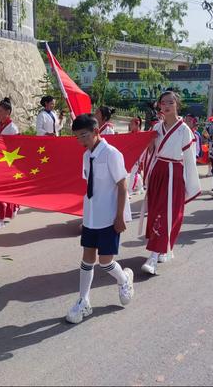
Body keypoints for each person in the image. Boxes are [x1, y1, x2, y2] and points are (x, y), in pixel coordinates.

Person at [66, 114, 134, 324]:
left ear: (97, 132)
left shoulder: (112, 154)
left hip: (109, 216)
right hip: (91, 216)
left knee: (104, 262)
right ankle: (83, 300)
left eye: (84, 136)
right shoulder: (87, 155)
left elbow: (122, 186)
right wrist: (86, 215)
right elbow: (91, 186)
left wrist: (120, 216)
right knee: (87, 259)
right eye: (77, 137)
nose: (81, 141)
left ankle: (124, 280)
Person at [140, 91, 200, 275]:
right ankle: (163, 247)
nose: (166, 105)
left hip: (174, 174)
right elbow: (150, 150)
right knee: (156, 211)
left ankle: (153, 256)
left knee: (166, 213)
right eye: (163, 102)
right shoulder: (157, 127)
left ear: (177, 105)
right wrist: (148, 148)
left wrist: (190, 184)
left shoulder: (184, 130)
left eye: (170, 102)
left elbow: (190, 159)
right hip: (158, 172)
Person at [0, 97, 20, 231]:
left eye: (0, 111)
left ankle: (0, 218)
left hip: (7, 163)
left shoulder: (13, 128)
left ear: (8, 112)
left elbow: (16, 147)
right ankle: (11, 209)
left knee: (1, 190)